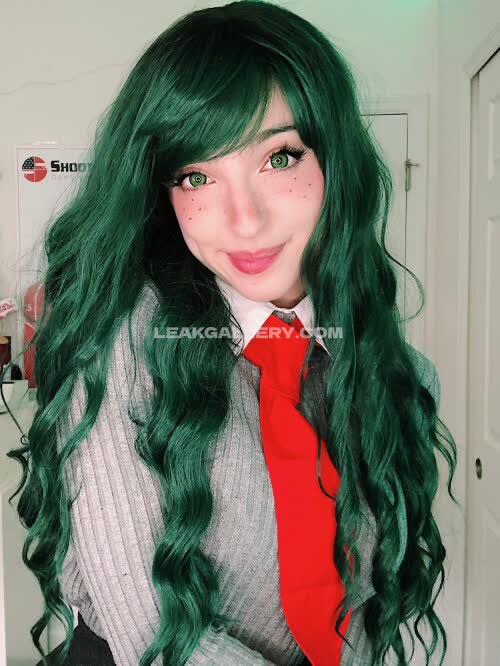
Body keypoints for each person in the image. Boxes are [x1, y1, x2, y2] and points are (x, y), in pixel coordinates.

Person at [4, 1, 459, 664]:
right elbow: (153, 634)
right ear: (163, 193)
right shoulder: (121, 346)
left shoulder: (402, 378)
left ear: (335, 161)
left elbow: (361, 607)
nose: (244, 220)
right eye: (197, 176)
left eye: (280, 157)